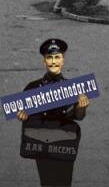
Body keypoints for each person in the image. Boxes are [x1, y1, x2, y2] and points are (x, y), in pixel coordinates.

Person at [17, 39, 89, 187]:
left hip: (65, 144)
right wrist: (22, 115)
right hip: (42, 143)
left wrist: (82, 107)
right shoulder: (33, 87)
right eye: (49, 58)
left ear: (63, 60)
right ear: (44, 61)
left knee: (65, 182)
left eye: (57, 57)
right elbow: (24, 115)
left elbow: (79, 116)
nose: (53, 62)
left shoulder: (73, 88)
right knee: (47, 181)